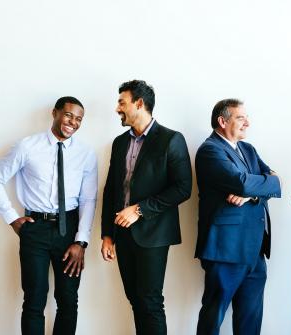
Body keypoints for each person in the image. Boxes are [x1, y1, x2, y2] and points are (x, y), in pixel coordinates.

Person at [0, 96, 98, 335]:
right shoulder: (27, 146)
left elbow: (88, 200)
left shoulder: (86, 154)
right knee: (34, 300)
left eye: (79, 119)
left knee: (68, 301)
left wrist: (81, 241)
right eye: (68, 115)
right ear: (55, 113)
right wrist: (12, 218)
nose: (73, 122)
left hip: (69, 231)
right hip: (34, 229)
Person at [100, 80, 192, 335]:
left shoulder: (171, 139)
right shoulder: (119, 143)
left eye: (122, 102)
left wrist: (139, 209)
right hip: (122, 233)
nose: (117, 108)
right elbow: (110, 191)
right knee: (135, 300)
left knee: (150, 302)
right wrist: (107, 235)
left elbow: (183, 188)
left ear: (139, 104)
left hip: (154, 234)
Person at [194, 98, 281, 335]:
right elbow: (241, 183)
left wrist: (252, 196)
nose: (247, 123)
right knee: (213, 316)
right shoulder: (210, 150)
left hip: (255, 250)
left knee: (250, 321)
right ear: (223, 121)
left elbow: (274, 181)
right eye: (241, 118)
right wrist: (252, 188)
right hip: (225, 250)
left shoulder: (248, 149)